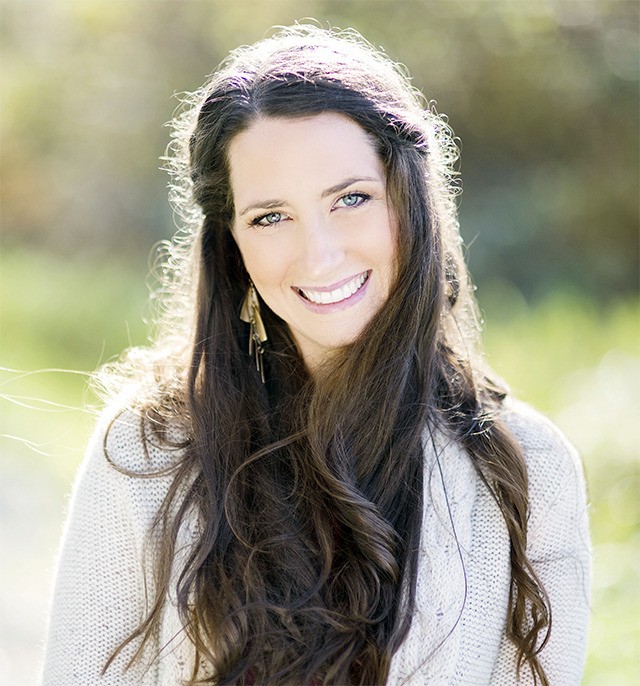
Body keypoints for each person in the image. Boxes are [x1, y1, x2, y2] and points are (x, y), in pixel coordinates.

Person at [42, 24, 590, 686]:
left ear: (410, 199)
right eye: (270, 217)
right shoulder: (144, 453)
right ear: (232, 245)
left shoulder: (528, 470)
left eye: (351, 199)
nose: (320, 256)